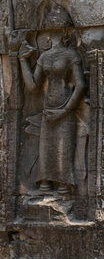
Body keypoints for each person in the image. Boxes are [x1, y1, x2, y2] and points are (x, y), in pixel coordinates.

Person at [19, 28, 85, 196]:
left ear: (66, 33)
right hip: (48, 109)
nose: (53, 37)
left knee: (63, 151)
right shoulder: (44, 56)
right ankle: (45, 186)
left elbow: (80, 85)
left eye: (57, 32)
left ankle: (64, 189)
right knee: (46, 150)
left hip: (65, 108)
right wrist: (22, 61)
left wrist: (64, 111)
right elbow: (33, 86)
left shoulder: (71, 55)